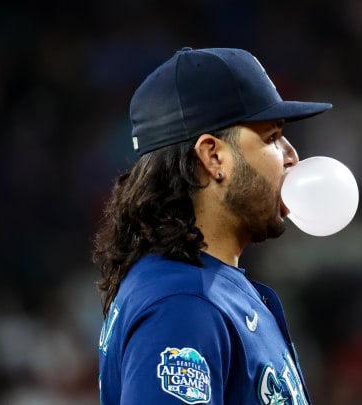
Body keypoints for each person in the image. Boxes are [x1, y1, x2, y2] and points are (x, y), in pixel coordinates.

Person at [93, 47, 332, 405]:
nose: (292, 156)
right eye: (271, 137)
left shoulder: (206, 290)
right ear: (213, 156)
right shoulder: (181, 306)